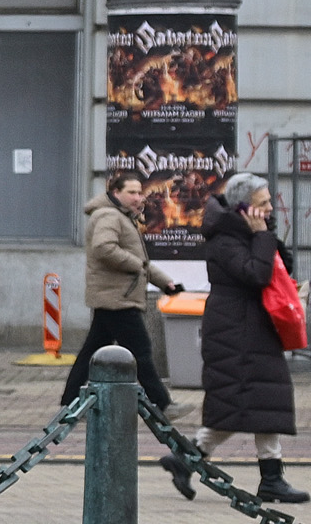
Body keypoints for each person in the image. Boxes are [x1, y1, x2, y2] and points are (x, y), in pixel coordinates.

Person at [182, 172, 298, 503]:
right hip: (235, 330)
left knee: (261, 399)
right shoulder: (224, 240)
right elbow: (256, 274)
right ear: (244, 207)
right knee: (246, 400)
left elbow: (282, 267)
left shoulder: (250, 232)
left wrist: (267, 235)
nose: (270, 210)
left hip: (253, 328)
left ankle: (267, 476)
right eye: (263, 204)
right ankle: (266, 477)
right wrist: (262, 236)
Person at [66, 171, 172, 419]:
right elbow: (104, 248)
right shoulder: (108, 216)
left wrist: (166, 283)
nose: (138, 197)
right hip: (116, 297)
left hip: (115, 296)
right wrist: (134, 265)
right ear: (116, 193)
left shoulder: (121, 217)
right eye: (131, 192)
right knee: (140, 350)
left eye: (139, 192)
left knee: (91, 354)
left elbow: (141, 263)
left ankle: (69, 401)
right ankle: (162, 403)